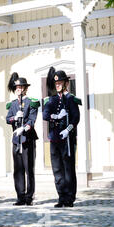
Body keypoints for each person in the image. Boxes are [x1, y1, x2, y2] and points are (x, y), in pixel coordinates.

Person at [42, 67, 81, 208]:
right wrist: (56, 116)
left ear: (65, 83)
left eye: (60, 83)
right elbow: (45, 115)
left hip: (67, 139)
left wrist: (68, 129)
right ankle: (61, 196)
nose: (57, 85)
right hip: (54, 139)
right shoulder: (51, 100)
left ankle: (69, 198)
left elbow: (76, 118)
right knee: (57, 169)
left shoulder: (71, 99)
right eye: (56, 83)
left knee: (68, 169)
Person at [6, 73, 40, 206]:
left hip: (27, 139)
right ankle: (20, 196)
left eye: (21, 87)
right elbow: (8, 118)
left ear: (25, 89)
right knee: (18, 169)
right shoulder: (13, 104)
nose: (18, 90)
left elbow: (32, 120)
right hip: (16, 140)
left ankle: (29, 197)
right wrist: (14, 118)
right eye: (17, 88)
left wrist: (24, 128)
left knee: (28, 169)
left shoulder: (31, 102)